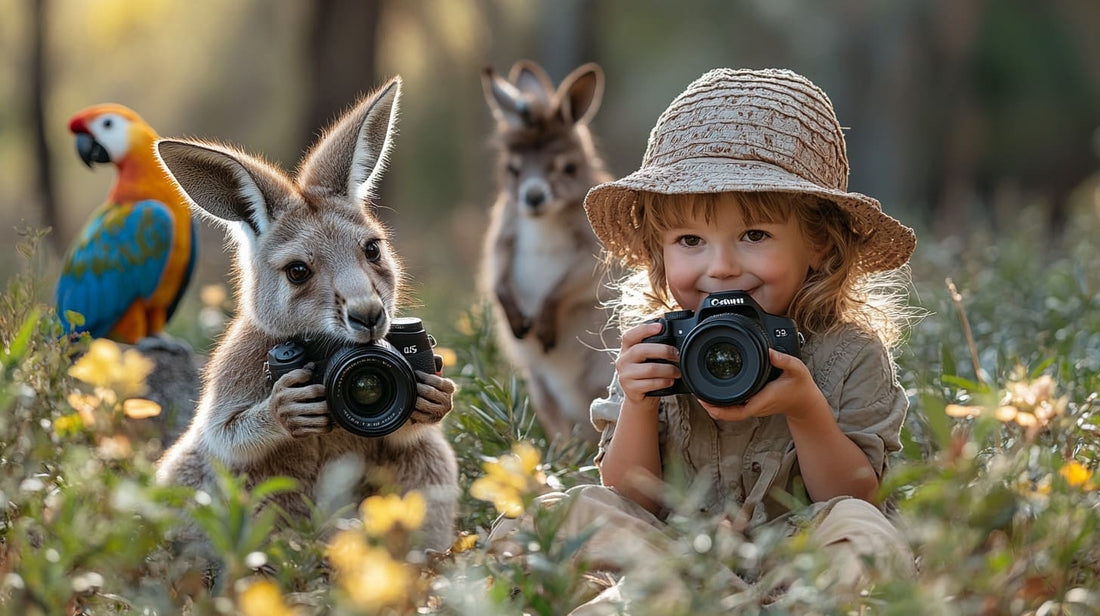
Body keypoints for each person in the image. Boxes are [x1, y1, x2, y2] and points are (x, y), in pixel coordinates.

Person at [489, 67, 918, 611]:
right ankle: (703, 595)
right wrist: (640, 403)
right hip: (671, 550)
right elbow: (631, 493)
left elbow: (855, 494)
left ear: (821, 246)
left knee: (864, 531)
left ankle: (688, 600)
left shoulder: (847, 352)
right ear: (657, 251)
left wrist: (807, 407)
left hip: (797, 560)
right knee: (550, 518)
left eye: (754, 235)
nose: (721, 267)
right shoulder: (659, 344)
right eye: (690, 239)